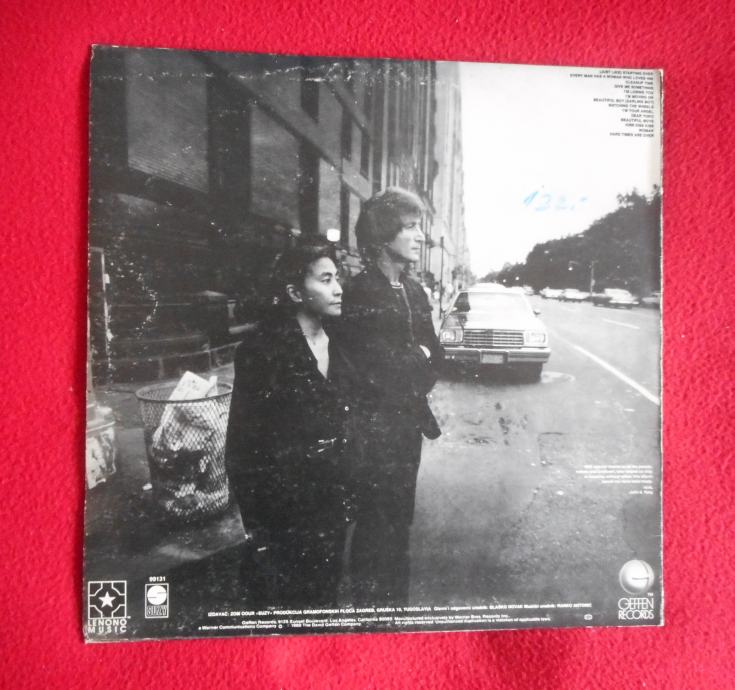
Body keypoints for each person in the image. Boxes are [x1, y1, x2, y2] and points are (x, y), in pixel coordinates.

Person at [225, 235, 357, 608]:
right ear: (295, 292)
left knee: (323, 597)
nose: (338, 289)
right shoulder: (261, 352)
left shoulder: (342, 346)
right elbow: (242, 448)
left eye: (337, 278)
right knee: (284, 603)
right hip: (284, 510)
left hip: (331, 505)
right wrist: (258, 527)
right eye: (326, 279)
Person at [340, 187, 444, 605]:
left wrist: (417, 359)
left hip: (407, 426)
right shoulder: (361, 291)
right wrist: (417, 357)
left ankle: (393, 608)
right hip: (372, 429)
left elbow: (435, 356)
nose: (420, 236)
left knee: (400, 520)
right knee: (374, 521)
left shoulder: (414, 290)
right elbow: (376, 370)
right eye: (411, 227)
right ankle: (371, 612)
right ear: (384, 235)